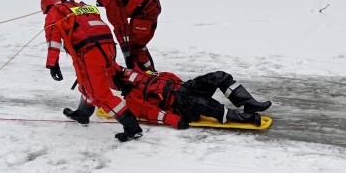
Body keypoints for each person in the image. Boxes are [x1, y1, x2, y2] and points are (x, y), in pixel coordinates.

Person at [40, 0, 143, 142]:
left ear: (47, 7)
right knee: (87, 82)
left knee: (100, 94)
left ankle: (132, 127)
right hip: (108, 47)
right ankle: (83, 113)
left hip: (90, 51)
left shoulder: (55, 11)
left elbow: (53, 39)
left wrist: (52, 64)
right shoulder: (80, 5)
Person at [112, 67, 271, 127]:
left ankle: (249, 103)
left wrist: (183, 86)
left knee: (219, 76)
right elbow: (153, 114)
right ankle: (246, 118)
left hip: (184, 88)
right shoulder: (132, 98)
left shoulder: (138, 74)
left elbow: (164, 76)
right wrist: (175, 121)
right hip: (179, 105)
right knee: (203, 104)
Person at [71, 0, 161, 72]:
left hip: (147, 9)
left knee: (134, 46)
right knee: (137, 43)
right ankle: (147, 74)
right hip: (149, 0)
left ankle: (150, 76)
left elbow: (120, 25)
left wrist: (126, 52)